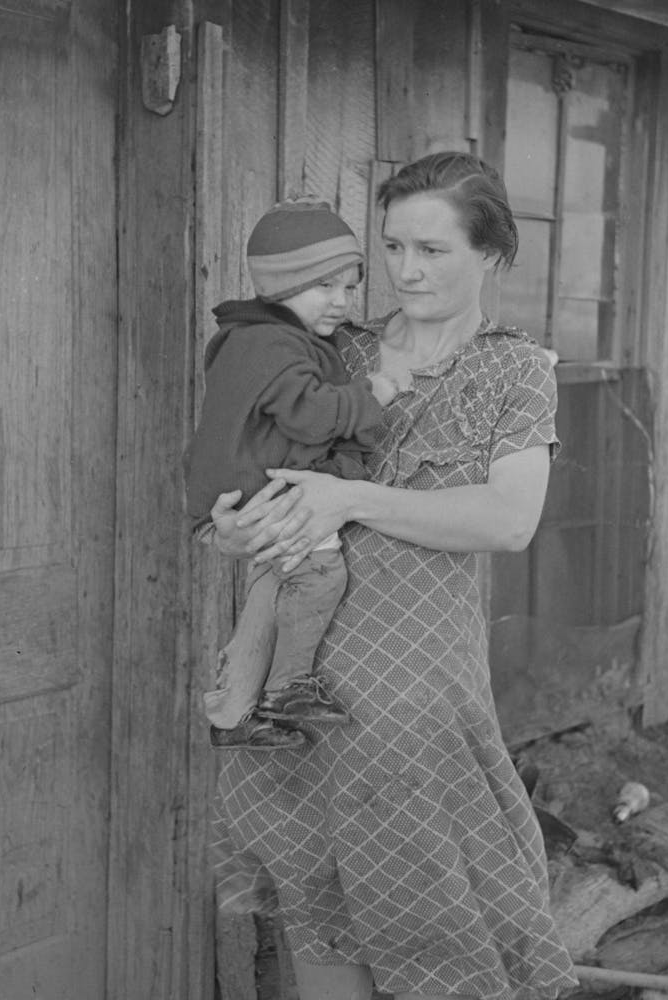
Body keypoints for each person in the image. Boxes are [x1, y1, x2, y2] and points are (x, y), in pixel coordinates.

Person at [207, 152, 579, 1000]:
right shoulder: (335, 349)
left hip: (417, 699)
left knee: (439, 934)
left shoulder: (512, 370)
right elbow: (262, 477)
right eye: (394, 247)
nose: (407, 270)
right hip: (305, 691)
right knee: (319, 913)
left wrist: (349, 497)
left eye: (434, 251)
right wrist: (234, 527)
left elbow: (508, 520)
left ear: (490, 253)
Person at [186, 199, 404, 752]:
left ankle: (231, 713)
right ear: (281, 285)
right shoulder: (274, 346)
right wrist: (373, 394)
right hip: (260, 497)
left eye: (349, 287)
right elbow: (309, 414)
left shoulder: (254, 338)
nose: (341, 301)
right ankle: (288, 688)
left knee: (267, 593)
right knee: (320, 577)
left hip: (239, 501)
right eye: (324, 286)